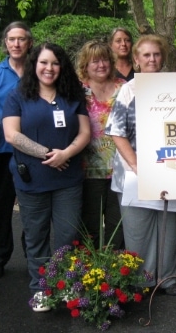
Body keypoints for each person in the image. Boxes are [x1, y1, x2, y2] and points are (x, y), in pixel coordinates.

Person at [2, 42, 90, 312]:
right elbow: (11, 135)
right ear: (34, 65)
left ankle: (64, 284)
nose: (49, 68)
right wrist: (48, 153)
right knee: (36, 237)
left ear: (61, 67)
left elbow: (85, 132)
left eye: (54, 63)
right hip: (33, 182)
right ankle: (40, 289)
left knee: (67, 236)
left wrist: (67, 154)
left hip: (68, 181)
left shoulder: (72, 95)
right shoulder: (17, 96)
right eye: (43, 62)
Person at [105, 34, 176, 295]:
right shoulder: (128, 90)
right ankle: (142, 281)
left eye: (156, 54)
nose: (152, 59)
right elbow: (117, 132)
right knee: (137, 231)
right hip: (133, 171)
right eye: (146, 55)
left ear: (163, 58)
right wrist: (138, 166)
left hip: (170, 170)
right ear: (136, 60)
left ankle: (167, 279)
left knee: (168, 228)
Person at [0, 21, 32, 279]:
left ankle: (33, 255)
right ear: (5, 43)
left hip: (33, 151)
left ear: (29, 43)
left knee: (32, 207)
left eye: (21, 39)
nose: (16, 44)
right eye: (11, 39)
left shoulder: (38, 72)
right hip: (0, 151)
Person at [76, 40, 126, 249]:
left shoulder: (123, 88)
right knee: (90, 227)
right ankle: (91, 276)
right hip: (88, 170)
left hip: (121, 168)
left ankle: (117, 274)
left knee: (118, 227)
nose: (101, 65)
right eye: (94, 61)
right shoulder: (77, 89)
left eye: (104, 59)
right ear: (85, 65)